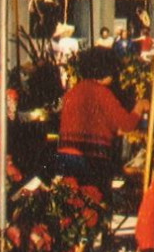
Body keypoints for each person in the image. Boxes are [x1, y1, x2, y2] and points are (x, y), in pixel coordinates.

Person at [56, 47, 145, 189]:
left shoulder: (73, 91)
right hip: (92, 158)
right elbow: (127, 124)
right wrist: (140, 107)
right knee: (97, 201)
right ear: (106, 70)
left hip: (65, 156)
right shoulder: (103, 93)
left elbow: (93, 121)